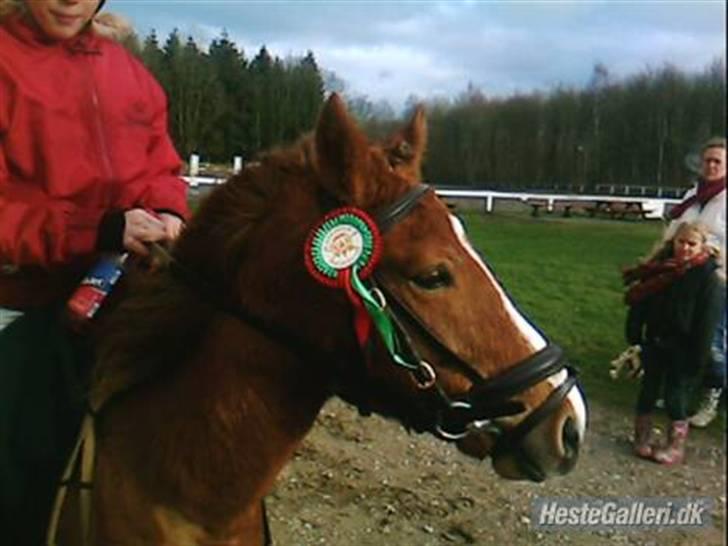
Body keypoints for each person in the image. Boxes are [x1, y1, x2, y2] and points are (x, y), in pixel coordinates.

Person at [0, 0, 189, 542]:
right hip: (22, 294)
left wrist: (169, 212)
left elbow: (161, 166)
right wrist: (98, 229)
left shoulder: (128, 72)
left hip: (122, 284)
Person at [624, 222, 724, 465]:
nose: (686, 249)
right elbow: (641, 301)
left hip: (685, 347)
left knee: (674, 398)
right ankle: (642, 437)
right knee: (648, 392)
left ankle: (675, 444)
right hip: (656, 341)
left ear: (703, 246)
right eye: (681, 242)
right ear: (673, 242)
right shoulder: (660, 271)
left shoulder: (708, 279)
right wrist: (635, 336)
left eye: (692, 244)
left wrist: (698, 358)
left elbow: (707, 323)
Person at [664, 137, 726, 428]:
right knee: (681, 334)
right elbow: (677, 229)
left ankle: (711, 396)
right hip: (683, 277)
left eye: (718, 161)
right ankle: (679, 389)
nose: (711, 166)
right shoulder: (694, 195)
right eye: (708, 160)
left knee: (712, 339)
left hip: (716, 278)